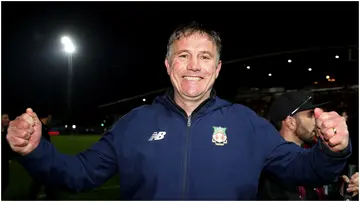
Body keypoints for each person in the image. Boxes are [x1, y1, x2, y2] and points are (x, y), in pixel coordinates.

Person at [6, 22, 352, 200]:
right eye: (184, 55)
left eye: (205, 57)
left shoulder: (247, 122)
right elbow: (78, 174)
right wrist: (34, 151)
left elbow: (303, 168)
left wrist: (333, 149)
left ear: (217, 69)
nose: (194, 66)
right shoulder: (135, 123)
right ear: (169, 65)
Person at [257, 91, 358, 200]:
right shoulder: (269, 170)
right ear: (290, 122)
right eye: (311, 115)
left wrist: (342, 193)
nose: (318, 120)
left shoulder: (314, 159)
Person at [27, 110, 59, 200]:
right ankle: (50, 196)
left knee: (40, 180)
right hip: (41, 159)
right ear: (48, 117)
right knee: (46, 178)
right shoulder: (40, 127)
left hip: (41, 159)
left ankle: (44, 195)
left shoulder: (43, 127)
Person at [1, 113, 15, 197]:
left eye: (8, 118)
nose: (8, 120)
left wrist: (9, 159)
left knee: (5, 182)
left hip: (4, 161)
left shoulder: (6, 132)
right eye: (5, 118)